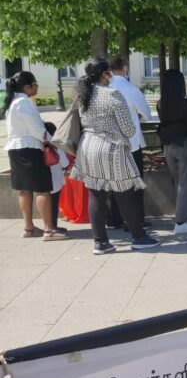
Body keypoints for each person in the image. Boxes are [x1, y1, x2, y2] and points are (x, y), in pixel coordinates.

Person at [70, 60, 159, 254]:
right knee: (125, 194)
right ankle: (139, 237)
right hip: (112, 149)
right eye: (108, 73)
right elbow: (128, 129)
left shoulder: (83, 94)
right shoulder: (112, 94)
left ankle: (100, 242)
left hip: (88, 147)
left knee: (96, 194)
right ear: (104, 74)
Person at [2, 72, 64, 240]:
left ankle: (29, 228)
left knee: (25, 190)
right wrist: (54, 142)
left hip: (15, 148)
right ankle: (49, 230)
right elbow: (38, 130)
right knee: (43, 189)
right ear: (26, 87)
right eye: (35, 84)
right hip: (30, 148)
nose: (37, 87)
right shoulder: (24, 102)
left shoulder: (12, 102)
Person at [106, 55, 152, 229]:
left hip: (110, 144)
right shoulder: (132, 89)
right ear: (125, 67)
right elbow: (146, 114)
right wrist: (136, 118)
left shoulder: (104, 89)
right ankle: (135, 219)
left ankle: (114, 218)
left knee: (114, 181)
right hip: (131, 142)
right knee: (135, 182)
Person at [157, 69, 187, 234]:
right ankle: (181, 222)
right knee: (186, 183)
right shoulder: (184, 103)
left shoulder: (161, 103)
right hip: (184, 144)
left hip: (168, 145)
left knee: (179, 183)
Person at [43, 121, 70, 234]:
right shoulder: (56, 145)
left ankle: (48, 226)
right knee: (53, 205)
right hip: (56, 181)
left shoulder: (40, 145)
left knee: (46, 204)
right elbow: (65, 163)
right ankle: (53, 226)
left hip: (43, 180)